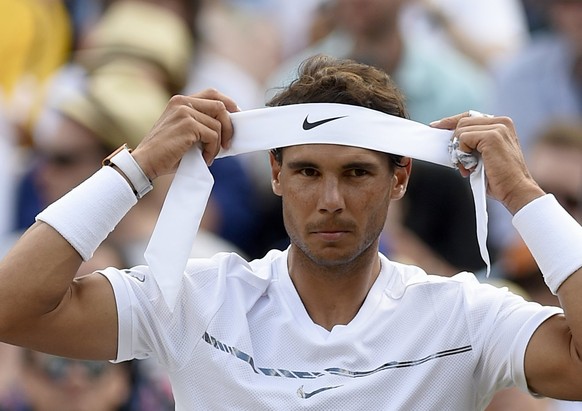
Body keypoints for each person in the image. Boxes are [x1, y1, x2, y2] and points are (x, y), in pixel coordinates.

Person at [0, 54, 581, 409]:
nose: (331, 200)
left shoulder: (463, 315)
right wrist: (139, 165)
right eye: (307, 172)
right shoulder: (193, 297)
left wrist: (523, 195)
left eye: (356, 173)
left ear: (399, 179)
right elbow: (13, 308)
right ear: (275, 173)